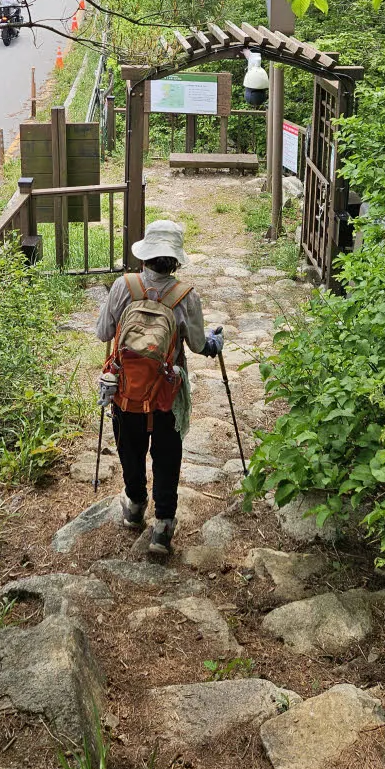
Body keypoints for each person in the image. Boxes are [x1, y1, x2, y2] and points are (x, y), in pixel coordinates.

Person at [95, 219, 224, 556]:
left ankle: (135, 506)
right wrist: (215, 343)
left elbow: (103, 332)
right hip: (167, 395)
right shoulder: (185, 296)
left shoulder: (124, 287)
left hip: (125, 390)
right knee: (167, 456)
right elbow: (197, 344)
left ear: (145, 256)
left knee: (129, 448)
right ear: (176, 260)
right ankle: (163, 526)